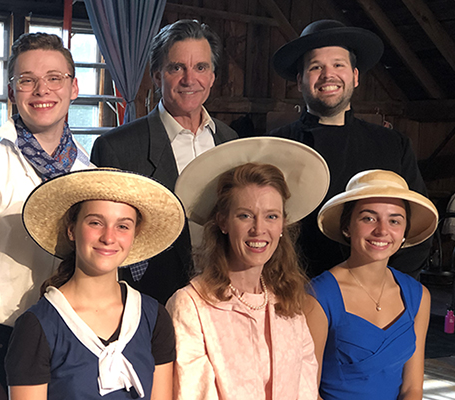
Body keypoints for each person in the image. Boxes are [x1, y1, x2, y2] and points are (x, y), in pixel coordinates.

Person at [0, 33, 92, 399]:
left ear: (73, 88)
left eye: (54, 78)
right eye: (27, 80)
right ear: (13, 93)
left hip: (75, 339)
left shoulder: (89, 172)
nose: (41, 90)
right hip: (6, 342)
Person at [167, 137, 330, 399]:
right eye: (245, 215)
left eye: (271, 216)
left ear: (282, 226)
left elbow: (306, 391)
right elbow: (193, 394)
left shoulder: (289, 301)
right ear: (223, 221)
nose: (258, 229)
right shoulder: (190, 305)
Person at [91, 19, 238, 304]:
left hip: (223, 297)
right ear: (157, 76)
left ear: (212, 77)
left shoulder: (230, 140)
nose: (189, 79)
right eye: (176, 67)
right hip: (151, 303)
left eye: (201, 67)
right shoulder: (117, 148)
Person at [4, 169, 184, 400]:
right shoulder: (37, 327)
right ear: (72, 230)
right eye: (96, 222)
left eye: (123, 226)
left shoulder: (154, 318)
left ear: (134, 234)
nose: (108, 237)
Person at [270, 19, 430, 278]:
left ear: (355, 77)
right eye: (316, 67)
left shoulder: (393, 145)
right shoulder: (274, 147)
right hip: (292, 292)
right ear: (300, 81)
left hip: (374, 297)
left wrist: (386, 288)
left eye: (338, 65)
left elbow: (416, 230)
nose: (327, 75)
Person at [306, 169, 438, 399]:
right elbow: (306, 389)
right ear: (347, 227)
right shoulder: (317, 295)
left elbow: (412, 387)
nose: (382, 230)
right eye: (368, 218)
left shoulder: (418, 295)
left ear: (404, 233)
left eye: (394, 220)